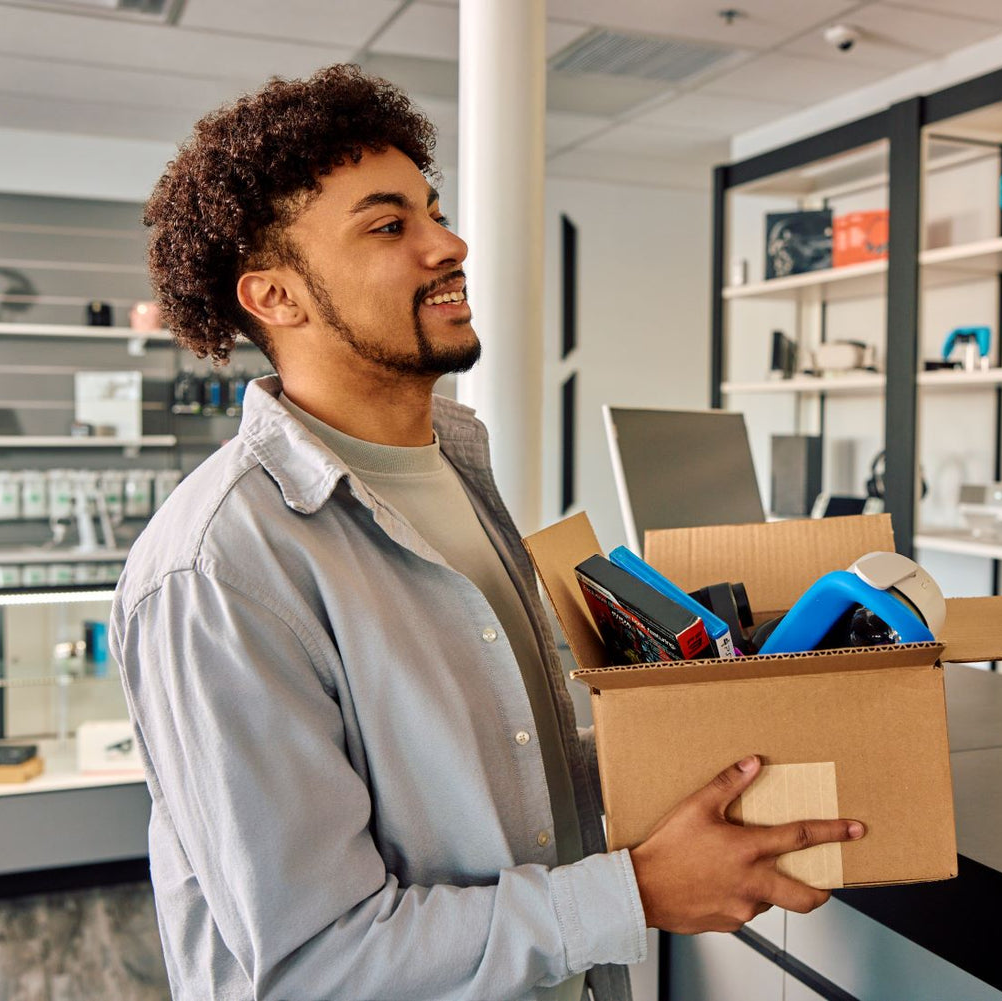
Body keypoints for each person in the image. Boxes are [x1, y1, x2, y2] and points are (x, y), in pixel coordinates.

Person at [111, 64, 863, 1001]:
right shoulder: (217, 568)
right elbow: (314, 965)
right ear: (274, 298)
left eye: (433, 210)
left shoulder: (457, 473)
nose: (450, 242)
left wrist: (692, 741)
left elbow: (512, 777)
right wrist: (635, 890)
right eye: (390, 226)